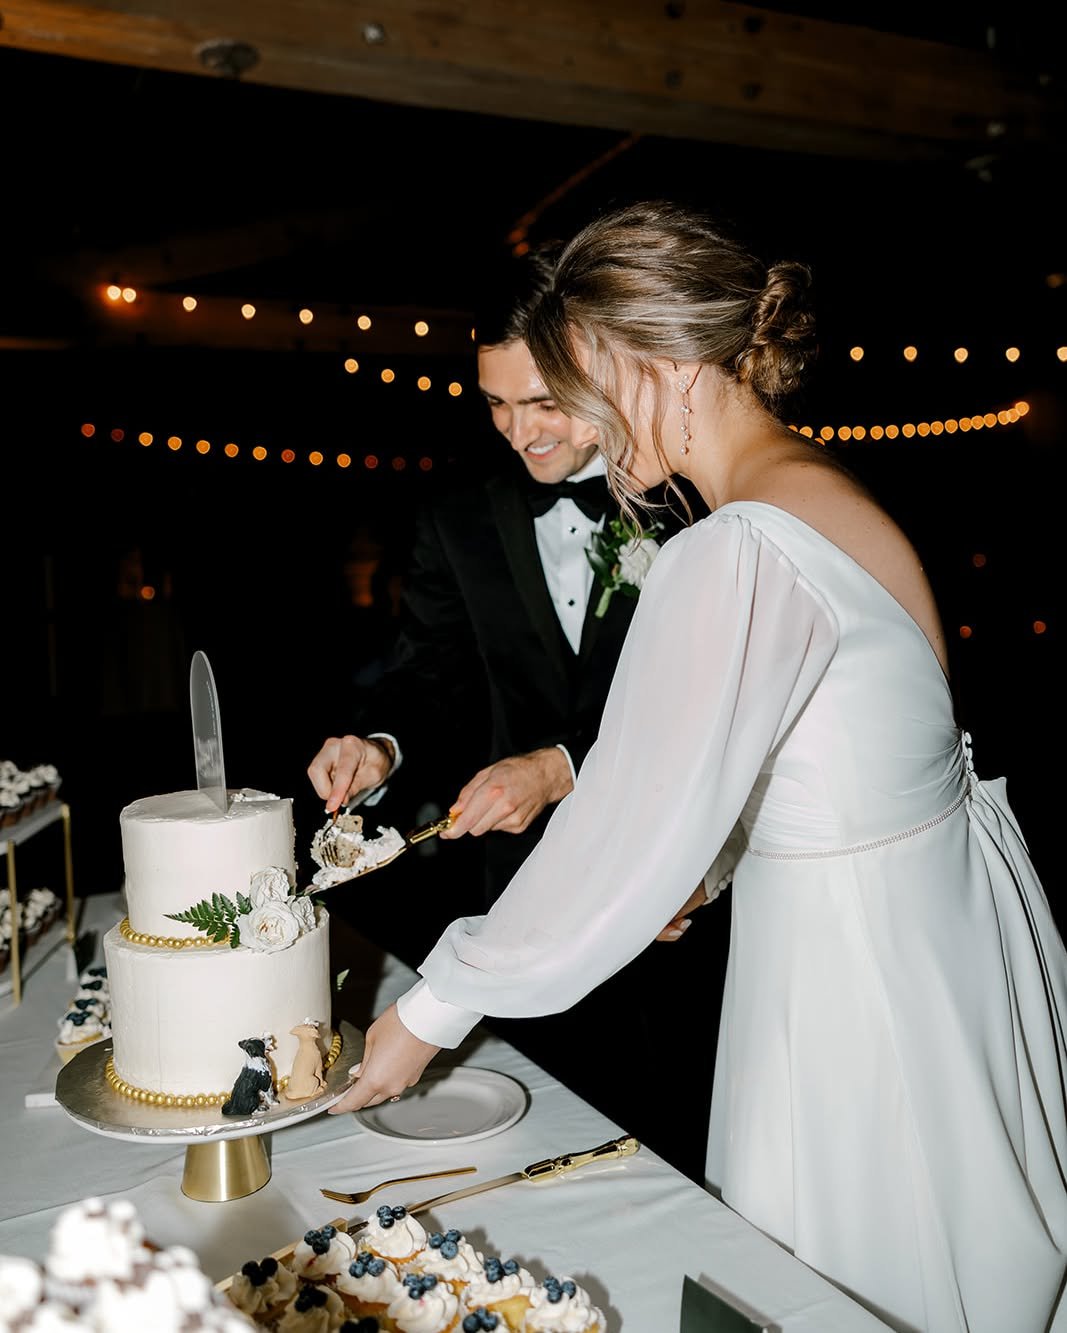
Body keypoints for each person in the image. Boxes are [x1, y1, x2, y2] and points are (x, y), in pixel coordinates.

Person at [327, 201, 1067, 1333]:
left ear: (663, 365)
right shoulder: (822, 496)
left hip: (850, 994)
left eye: (583, 386)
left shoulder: (739, 545)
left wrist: (432, 1005)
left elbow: (624, 819)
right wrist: (710, 868)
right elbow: (836, 764)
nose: (575, 421)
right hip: (935, 951)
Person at [309, 245, 722, 1182]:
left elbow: (711, 701)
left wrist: (560, 763)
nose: (518, 431)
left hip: (687, 886)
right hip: (525, 889)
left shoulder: (695, 500)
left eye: (544, 401)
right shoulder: (458, 519)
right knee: (549, 1149)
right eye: (496, 404)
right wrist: (378, 743)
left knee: (688, 1140)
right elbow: (428, 674)